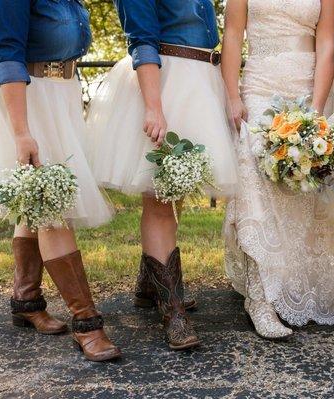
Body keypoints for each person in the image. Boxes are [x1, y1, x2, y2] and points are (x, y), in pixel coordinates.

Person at [0, 0, 120, 362]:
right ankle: (87, 322)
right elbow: (5, 53)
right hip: (23, 96)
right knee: (52, 204)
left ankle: (26, 300)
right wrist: (21, 133)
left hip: (57, 93)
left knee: (36, 202)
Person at [86, 0, 238, 350]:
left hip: (200, 80)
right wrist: (154, 106)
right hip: (164, 82)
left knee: (177, 187)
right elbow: (141, 38)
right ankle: (172, 312)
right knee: (158, 198)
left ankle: (149, 285)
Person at [222, 0, 334, 341]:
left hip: (306, 90)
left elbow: (326, 42)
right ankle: (259, 298)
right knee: (256, 184)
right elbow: (232, 34)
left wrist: (316, 110)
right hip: (258, 88)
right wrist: (233, 95)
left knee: (299, 192)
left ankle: (289, 283)